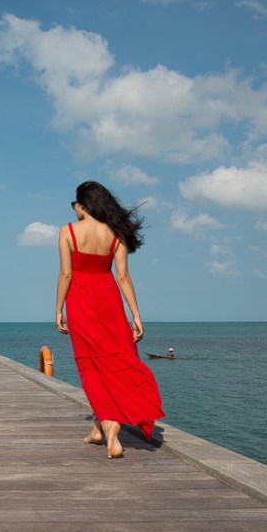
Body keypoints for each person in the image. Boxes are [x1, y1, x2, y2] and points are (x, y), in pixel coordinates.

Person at [55, 181, 165, 459]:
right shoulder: (117, 234)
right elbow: (123, 276)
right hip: (110, 303)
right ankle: (97, 430)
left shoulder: (68, 231)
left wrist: (58, 309)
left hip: (80, 302)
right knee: (114, 361)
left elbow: (66, 274)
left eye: (74, 204)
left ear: (83, 204)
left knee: (90, 366)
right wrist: (136, 315)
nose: (74, 209)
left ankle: (111, 431)